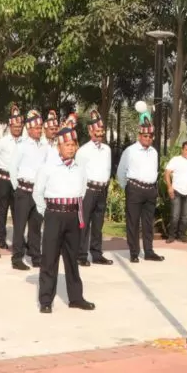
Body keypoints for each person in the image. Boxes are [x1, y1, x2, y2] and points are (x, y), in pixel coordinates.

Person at [34, 124, 95, 314]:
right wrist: (48, 213)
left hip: (73, 215)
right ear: (59, 147)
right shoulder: (47, 168)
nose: (70, 148)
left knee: (72, 259)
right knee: (49, 258)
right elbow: (38, 193)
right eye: (67, 145)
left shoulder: (80, 169)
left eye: (73, 145)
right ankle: (45, 300)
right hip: (54, 214)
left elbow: (83, 191)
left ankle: (76, 298)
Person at [116, 118, 164, 262]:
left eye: (150, 136)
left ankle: (149, 251)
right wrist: (128, 188)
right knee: (133, 222)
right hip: (135, 189)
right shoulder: (130, 151)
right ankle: (134, 253)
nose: (147, 139)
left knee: (148, 223)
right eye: (145, 136)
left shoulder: (154, 152)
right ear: (139, 136)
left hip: (150, 190)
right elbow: (120, 172)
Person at [10, 108, 48, 270]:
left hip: (38, 191)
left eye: (40, 128)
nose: (39, 131)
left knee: (36, 225)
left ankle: (35, 255)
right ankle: (17, 258)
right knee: (20, 226)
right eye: (36, 128)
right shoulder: (22, 146)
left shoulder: (45, 147)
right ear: (29, 129)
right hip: (24, 190)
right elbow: (13, 168)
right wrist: (17, 188)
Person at [74, 109, 113, 266]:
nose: (100, 134)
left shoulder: (107, 149)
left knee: (98, 224)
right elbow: (78, 172)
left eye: (101, 131)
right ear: (90, 131)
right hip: (88, 190)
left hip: (102, 189)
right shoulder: (83, 150)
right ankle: (81, 255)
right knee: (84, 224)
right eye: (97, 131)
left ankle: (97, 254)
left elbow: (108, 169)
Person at [0, 104, 24, 250]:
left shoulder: (25, 142)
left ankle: (18, 240)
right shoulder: (2, 142)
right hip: (4, 180)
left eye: (20, 126)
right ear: (10, 125)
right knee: (2, 211)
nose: (18, 128)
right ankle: (1, 239)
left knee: (18, 212)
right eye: (15, 126)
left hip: (18, 181)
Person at [165, 140, 187, 243]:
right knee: (175, 216)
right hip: (176, 191)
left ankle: (182, 235)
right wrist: (169, 187)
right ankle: (171, 236)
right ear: (182, 149)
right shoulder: (175, 160)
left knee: (185, 217)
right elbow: (167, 173)